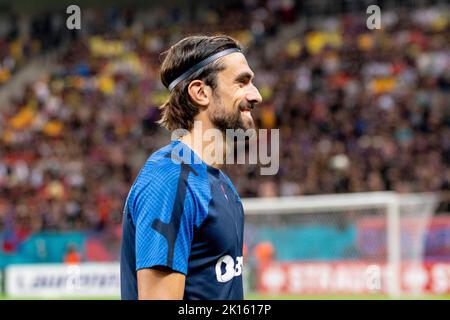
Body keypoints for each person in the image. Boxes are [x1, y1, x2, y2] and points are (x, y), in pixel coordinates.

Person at [120, 35, 262, 300]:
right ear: (200, 92)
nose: (256, 95)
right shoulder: (170, 179)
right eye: (242, 82)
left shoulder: (221, 184)